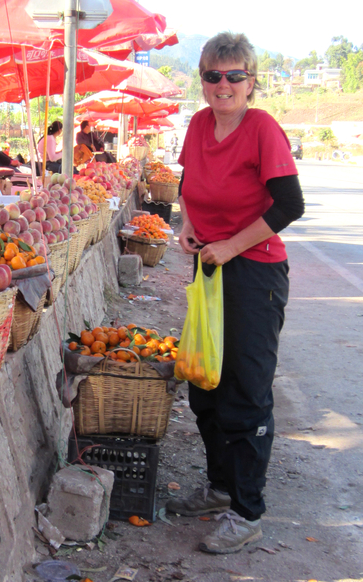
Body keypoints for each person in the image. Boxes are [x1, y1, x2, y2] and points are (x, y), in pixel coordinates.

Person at [170, 32, 304, 554]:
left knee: (245, 392)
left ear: (251, 81)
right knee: (205, 386)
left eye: (233, 76)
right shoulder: (199, 124)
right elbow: (188, 183)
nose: (222, 86)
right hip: (210, 267)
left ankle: (248, 512)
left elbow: (289, 204)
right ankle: (221, 488)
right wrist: (186, 223)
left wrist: (231, 246)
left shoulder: (262, 128)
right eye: (212, 75)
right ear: (202, 80)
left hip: (254, 276)